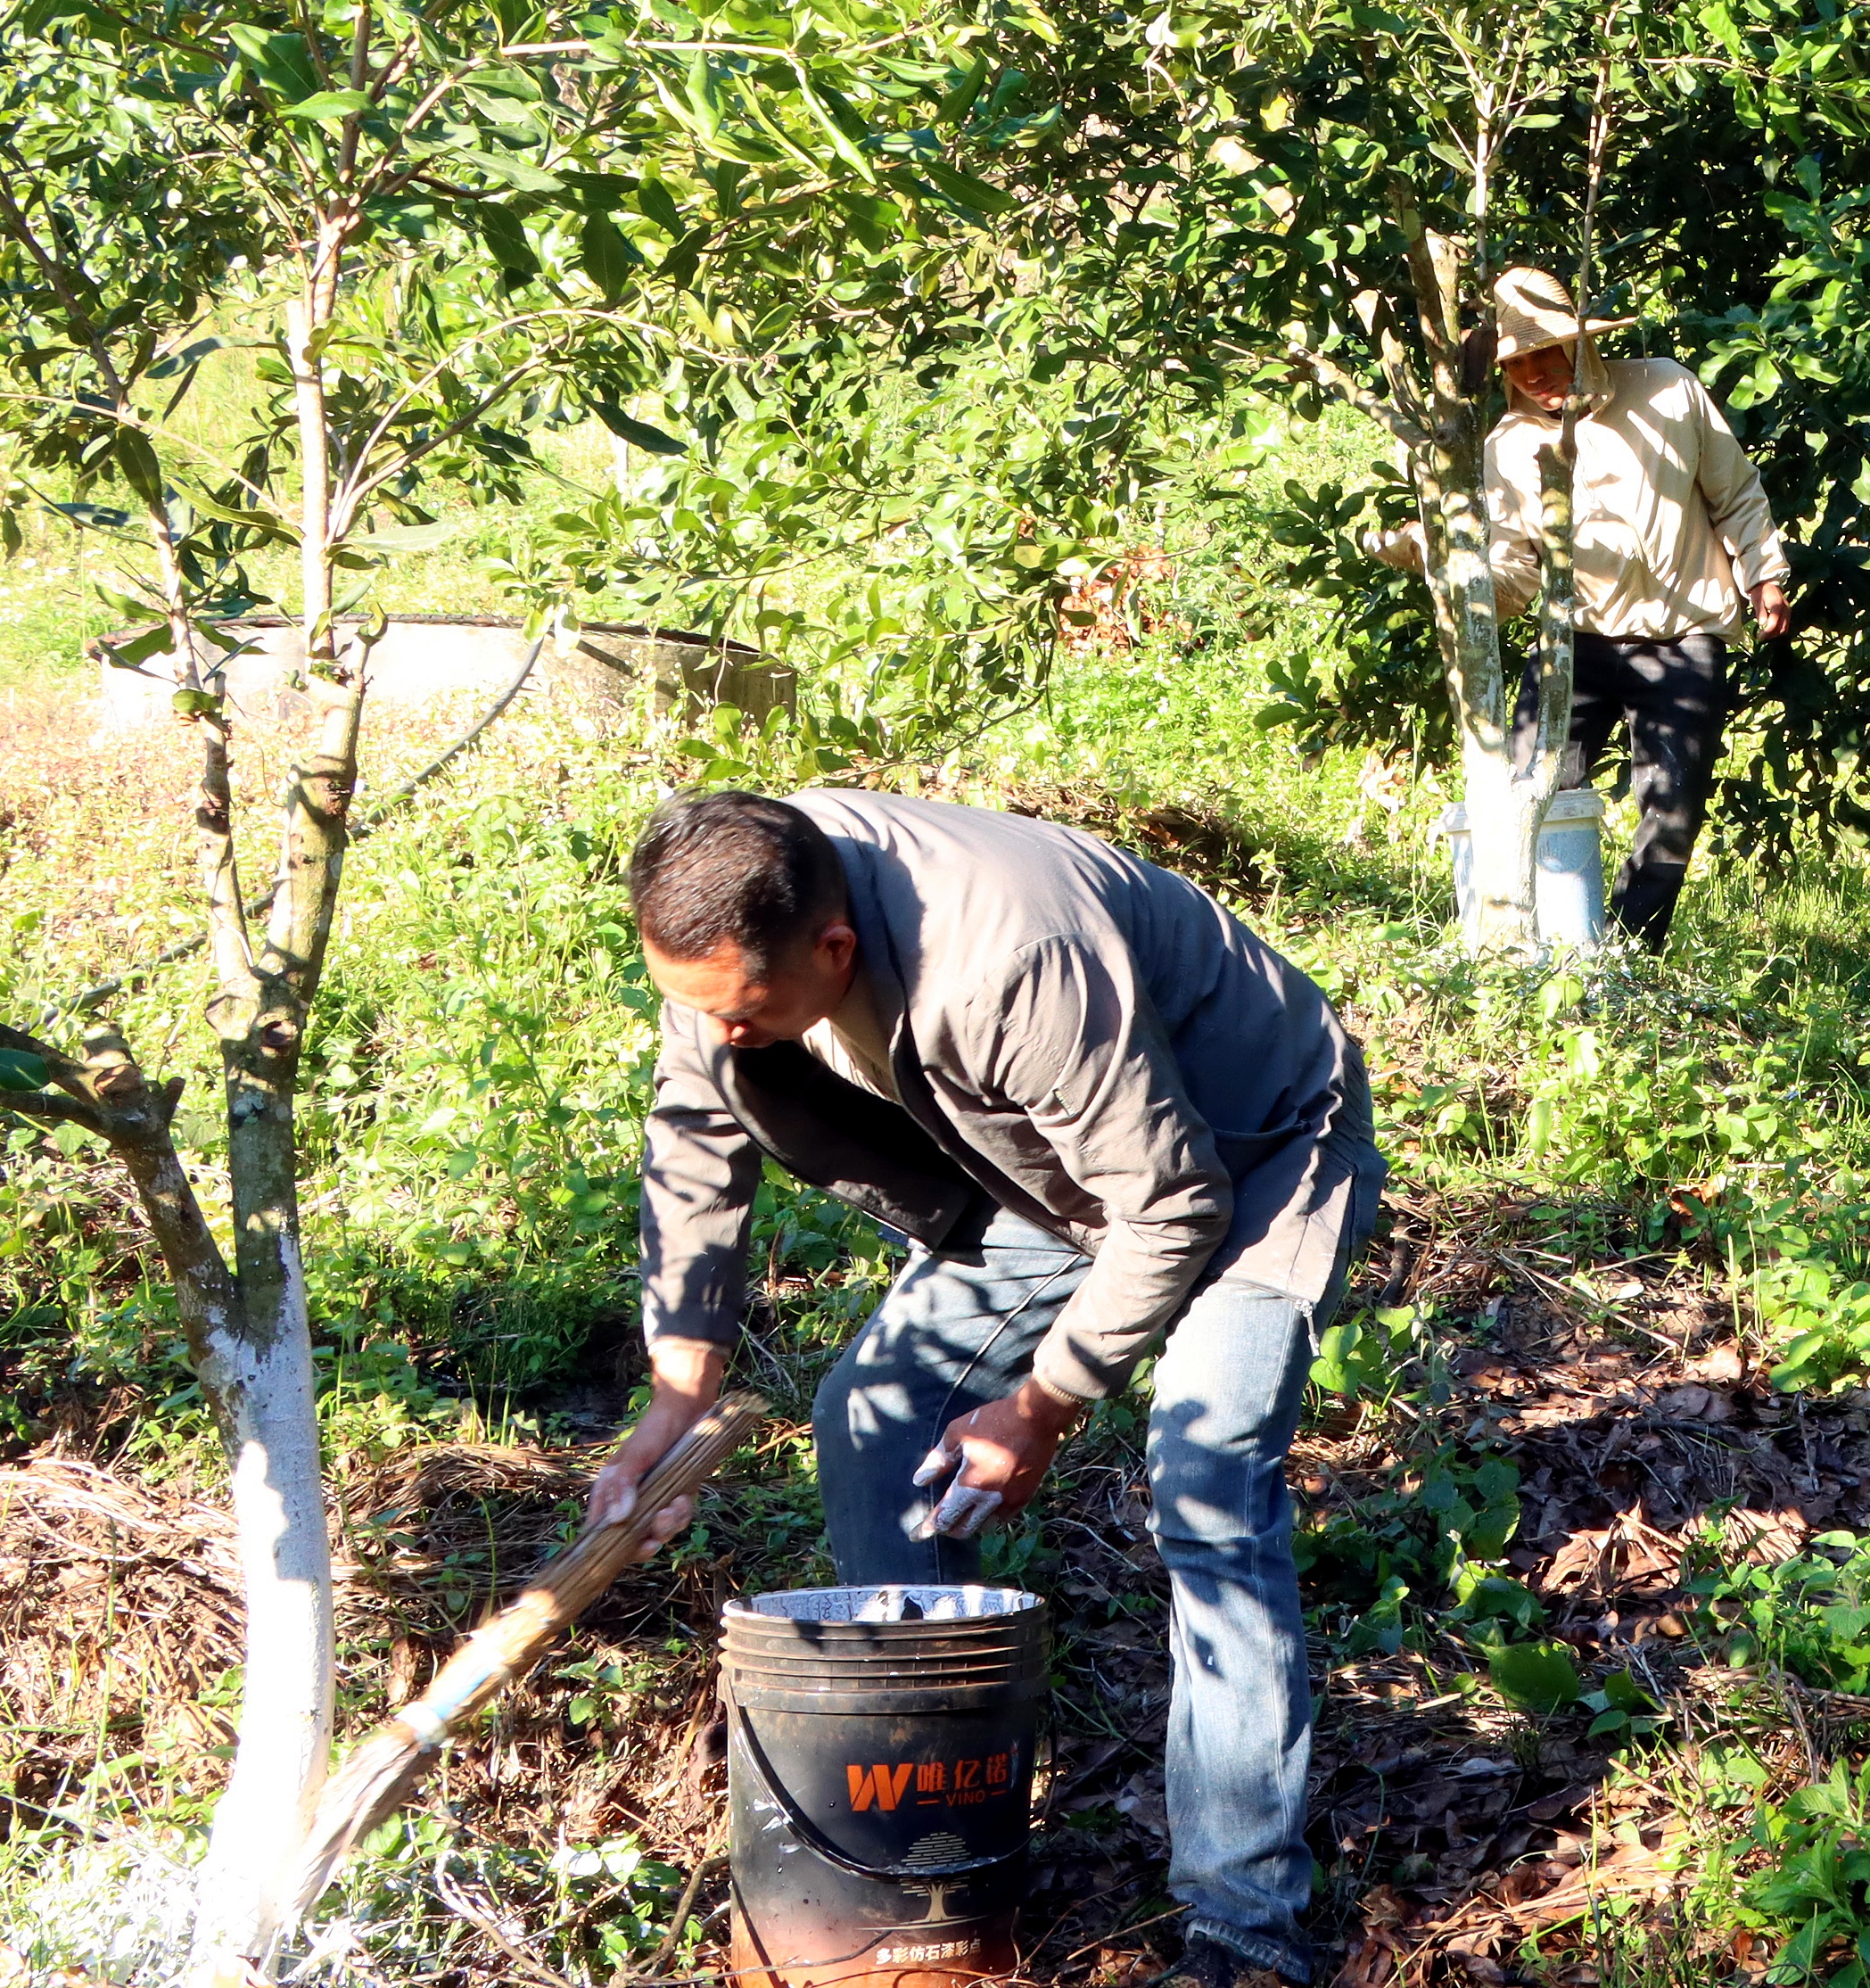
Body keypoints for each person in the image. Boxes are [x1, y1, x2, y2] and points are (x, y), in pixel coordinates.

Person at [583, 789, 1381, 1988]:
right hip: (1056, 1166)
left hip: (1258, 1152)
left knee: (1207, 1493)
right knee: (873, 1430)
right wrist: (672, 1406)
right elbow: (698, 1140)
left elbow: (1172, 1205)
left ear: (832, 951)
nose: (722, 1036)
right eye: (696, 1008)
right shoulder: (734, 910)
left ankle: (1244, 1927)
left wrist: (1041, 1405)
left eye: (743, 1016)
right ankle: (945, 1844)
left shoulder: (1012, 958)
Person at [1365, 266, 1792, 944]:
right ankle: (1536, 943)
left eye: (1548, 352)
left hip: (1685, 635)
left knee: (1672, 806)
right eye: (1520, 361)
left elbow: (1735, 492)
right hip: (1577, 642)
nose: (1537, 373)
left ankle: (1625, 950)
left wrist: (1765, 574)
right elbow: (1514, 578)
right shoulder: (1510, 445)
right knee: (1534, 789)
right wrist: (1444, 561)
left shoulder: (1668, 390)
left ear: (1583, 344)